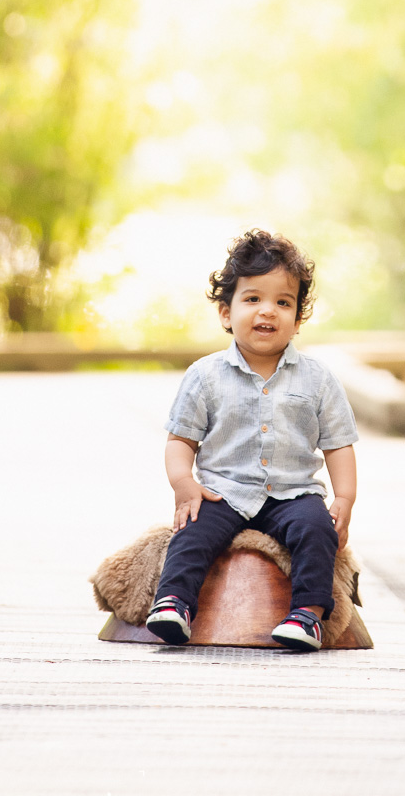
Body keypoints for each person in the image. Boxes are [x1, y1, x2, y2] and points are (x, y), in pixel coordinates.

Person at [145, 228, 358, 654]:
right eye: (253, 298)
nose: (268, 311)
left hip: (293, 493)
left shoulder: (317, 379)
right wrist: (183, 483)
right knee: (191, 530)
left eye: (283, 302)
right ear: (226, 312)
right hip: (223, 491)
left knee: (317, 531)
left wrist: (345, 498)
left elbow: (338, 443)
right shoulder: (204, 376)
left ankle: (308, 616)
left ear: (298, 319)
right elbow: (180, 439)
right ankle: (175, 603)